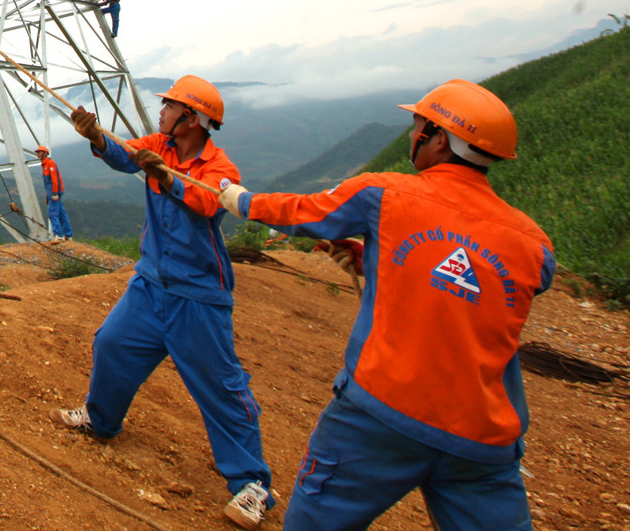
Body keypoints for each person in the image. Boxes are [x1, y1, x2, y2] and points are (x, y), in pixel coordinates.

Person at [217, 79, 555, 531]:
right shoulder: (534, 246)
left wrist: (244, 201)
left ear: (437, 138)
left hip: (378, 418)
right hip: (482, 441)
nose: (411, 133)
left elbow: (309, 212)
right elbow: (470, 290)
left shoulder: (386, 194)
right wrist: (378, 262)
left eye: (418, 125)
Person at [56, 76, 275, 528]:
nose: (161, 112)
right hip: (151, 281)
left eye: (170, 106)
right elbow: (126, 153)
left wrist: (162, 177)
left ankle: (253, 485)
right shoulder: (160, 144)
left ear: (191, 119)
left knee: (221, 387)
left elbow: (209, 204)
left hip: (198, 295)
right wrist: (97, 136)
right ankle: (101, 420)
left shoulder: (220, 168)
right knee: (112, 344)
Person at [36, 145, 74, 240]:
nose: (38, 154)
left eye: (40, 152)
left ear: (45, 153)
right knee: (61, 213)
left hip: (54, 192)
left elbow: (54, 179)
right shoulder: (44, 165)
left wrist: (54, 193)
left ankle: (58, 235)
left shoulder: (50, 163)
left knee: (52, 214)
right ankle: (68, 235)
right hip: (51, 192)